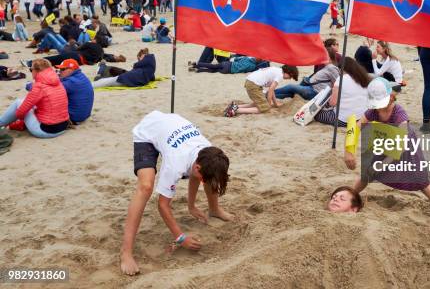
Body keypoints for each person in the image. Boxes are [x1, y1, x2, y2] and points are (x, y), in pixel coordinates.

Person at [120, 110, 232, 276]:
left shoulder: (209, 152)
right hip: (148, 133)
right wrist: (180, 237)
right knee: (146, 186)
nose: (204, 182)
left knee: (211, 175)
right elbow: (163, 205)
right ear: (197, 167)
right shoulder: (175, 163)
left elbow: (196, 175)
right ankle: (126, 252)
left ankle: (214, 209)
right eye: (202, 177)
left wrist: (192, 206)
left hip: (171, 127)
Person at [338, 78, 430, 231]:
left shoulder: (399, 114)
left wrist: (382, 165)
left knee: (424, 183)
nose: (378, 106)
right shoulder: (374, 111)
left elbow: (400, 146)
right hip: (387, 142)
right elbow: (356, 126)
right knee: (366, 174)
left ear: (392, 97)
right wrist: (349, 151)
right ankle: (349, 197)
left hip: (406, 147)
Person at [0, 59, 69, 138]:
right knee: (31, 105)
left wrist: (20, 119)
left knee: (19, 103)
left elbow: (21, 113)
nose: (31, 71)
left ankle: (1, 123)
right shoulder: (58, 82)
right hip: (63, 127)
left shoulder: (39, 86)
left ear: (37, 70)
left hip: (46, 130)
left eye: (31, 69)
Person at [314, 57, 370, 126]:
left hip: (343, 120)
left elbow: (333, 103)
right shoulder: (364, 78)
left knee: (316, 114)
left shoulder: (341, 79)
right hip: (361, 118)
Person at [225, 65, 299, 116]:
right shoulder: (280, 75)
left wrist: (275, 103)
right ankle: (236, 110)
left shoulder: (277, 70)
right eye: (290, 77)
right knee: (264, 109)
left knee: (260, 102)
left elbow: (272, 90)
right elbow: (270, 90)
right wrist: (269, 106)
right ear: (288, 72)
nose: (289, 79)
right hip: (253, 84)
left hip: (251, 82)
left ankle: (236, 106)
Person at [275, 48, 340, 100]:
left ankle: (271, 93)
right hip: (311, 87)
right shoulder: (327, 67)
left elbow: (338, 83)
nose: (321, 57)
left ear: (328, 57)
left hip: (314, 91)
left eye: (323, 55)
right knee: (291, 93)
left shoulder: (332, 68)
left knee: (290, 87)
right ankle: (273, 96)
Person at [57, 59, 94, 124]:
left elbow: (49, 90)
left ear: (71, 69)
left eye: (62, 69)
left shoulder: (71, 82)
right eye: (59, 70)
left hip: (74, 117)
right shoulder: (81, 76)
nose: (60, 72)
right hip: (84, 115)